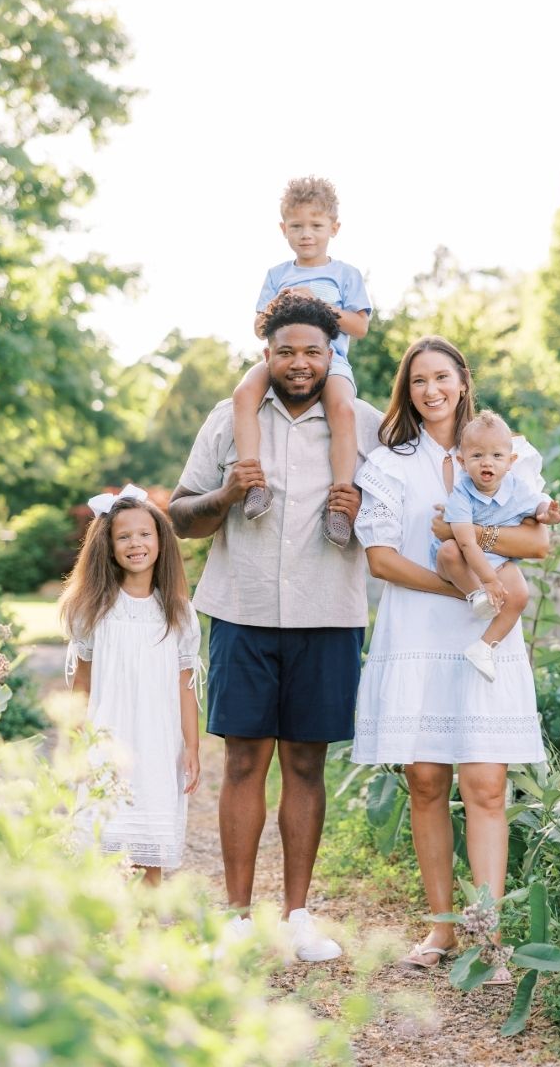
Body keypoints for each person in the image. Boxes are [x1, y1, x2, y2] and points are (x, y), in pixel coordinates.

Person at [170, 292, 380, 961]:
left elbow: (403, 511)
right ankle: (234, 918)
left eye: (312, 352)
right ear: (267, 354)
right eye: (286, 351)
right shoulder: (229, 421)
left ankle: (297, 915)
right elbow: (181, 516)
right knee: (241, 761)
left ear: (330, 355)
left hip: (328, 612)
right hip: (243, 610)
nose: (298, 362)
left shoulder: (365, 426)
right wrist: (228, 494)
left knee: (305, 763)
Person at [350, 337, 551, 978]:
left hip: (483, 640)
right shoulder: (388, 463)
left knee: (486, 784)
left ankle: (488, 935)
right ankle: (442, 929)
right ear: (406, 392)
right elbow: (380, 558)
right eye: (417, 382)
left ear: (464, 380)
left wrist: (468, 539)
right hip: (416, 632)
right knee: (427, 781)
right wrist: (470, 586)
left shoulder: (507, 451)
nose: (430, 390)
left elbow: (536, 541)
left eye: (441, 377)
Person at [62, 484, 202, 884]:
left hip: (158, 742)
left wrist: (191, 746)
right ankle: (109, 928)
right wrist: (76, 740)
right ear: (108, 547)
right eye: (123, 536)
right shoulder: (93, 611)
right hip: (108, 737)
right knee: (107, 838)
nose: (135, 543)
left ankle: (148, 930)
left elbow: (185, 684)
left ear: (160, 541)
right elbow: (82, 680)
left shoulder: (177, 613)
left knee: (149, 841)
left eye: (144, 534)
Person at [229, 176, 372, 546]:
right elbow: (260, 326)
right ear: (283, 229)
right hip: (283, 358)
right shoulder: (277, 275)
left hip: (330, 360)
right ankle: (254, 484)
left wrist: (318, 304)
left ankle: (339, 503)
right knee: (244, 395)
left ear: (333, 228)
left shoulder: (345, 275)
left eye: (316, 226)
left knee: (343, 409)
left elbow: (359, 326)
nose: (306, 234)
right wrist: (282, 305)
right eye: (296, 226)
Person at [431, 410, 560, 680]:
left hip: (497, 558)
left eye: (496, 456)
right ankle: (476, 596)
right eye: (477, 455)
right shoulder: (462, 494)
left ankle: (484, 647)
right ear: (462, 461)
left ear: (510, 461)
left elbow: (535, 508)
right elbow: (467, 543)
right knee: (448, 550)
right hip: (461, 559)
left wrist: (546, 514)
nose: (487, 463)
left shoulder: (516, 487)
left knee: (519, 594)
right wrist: (488, 582)